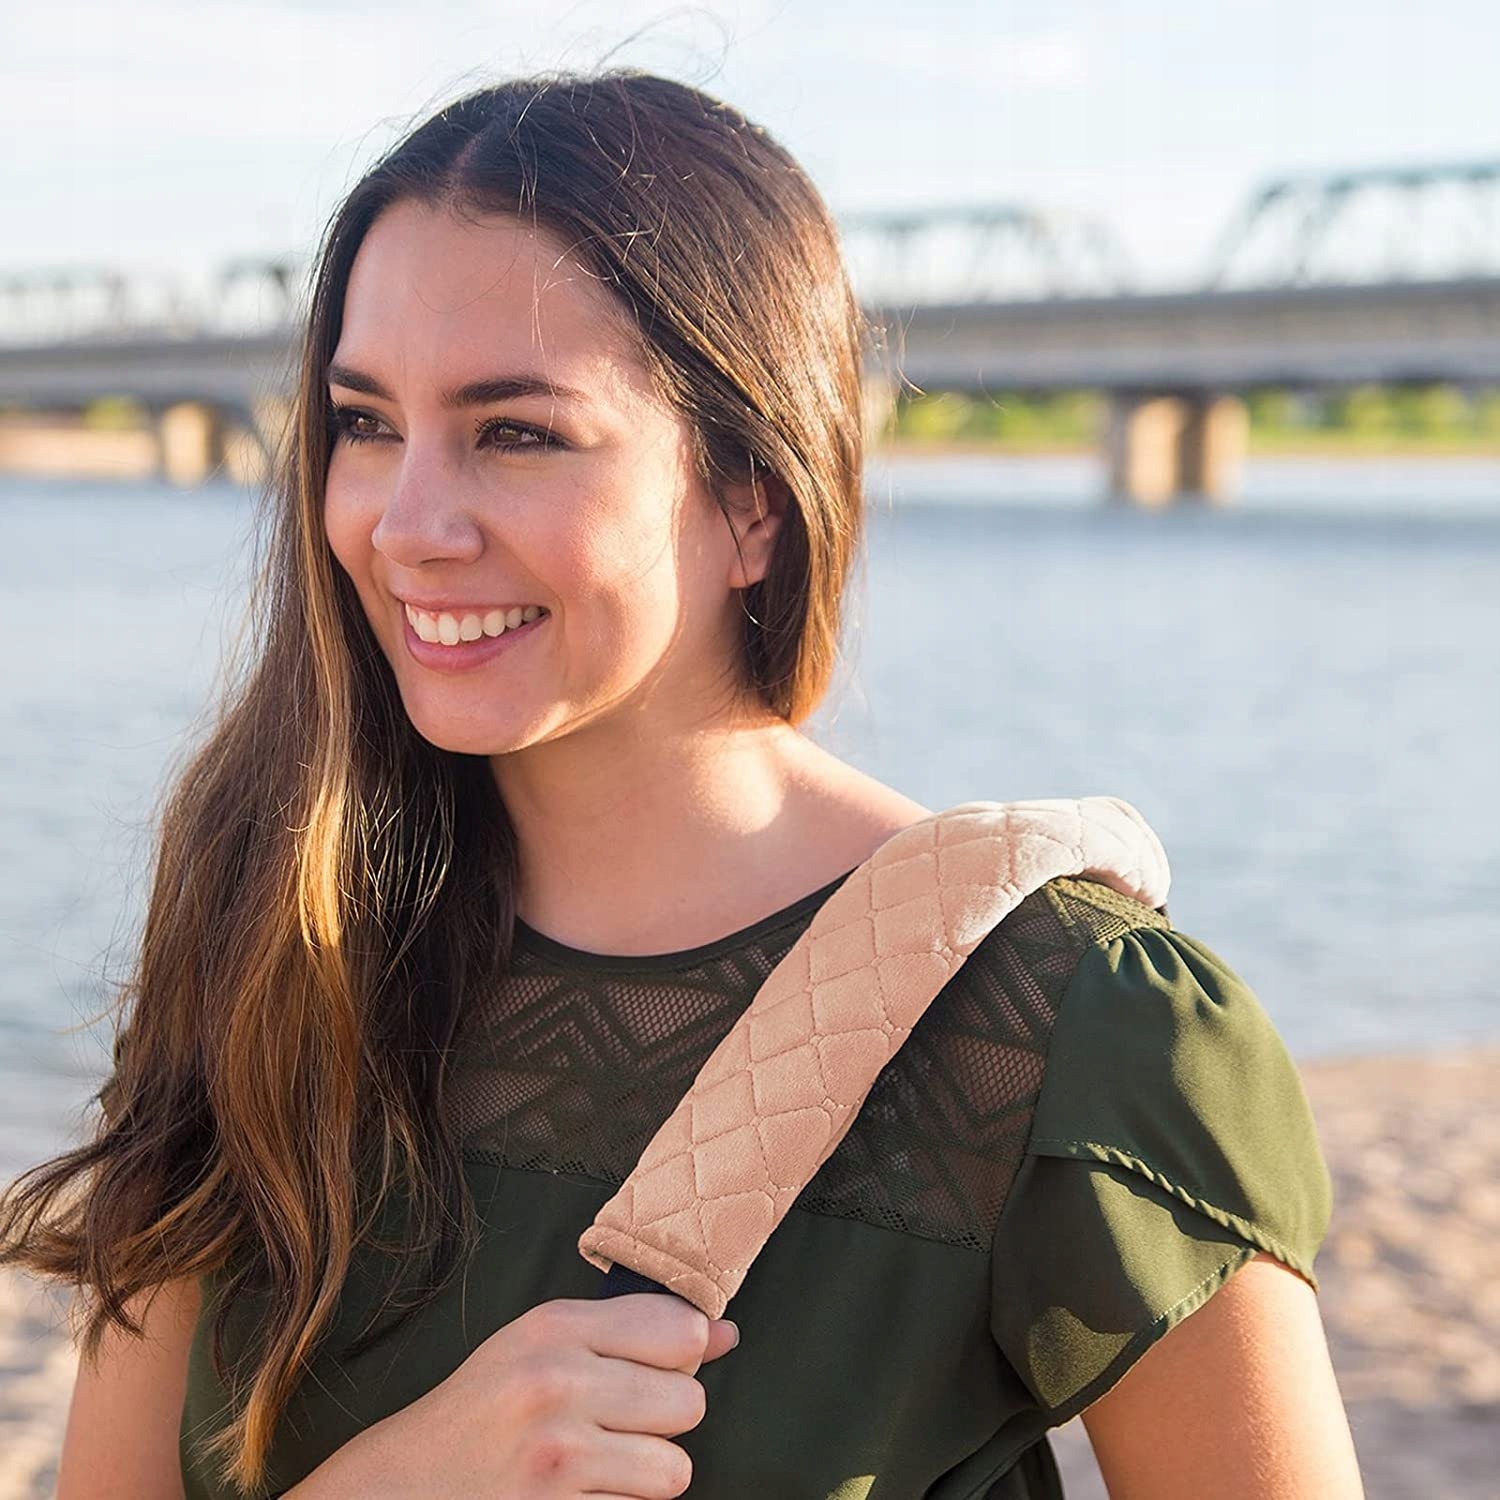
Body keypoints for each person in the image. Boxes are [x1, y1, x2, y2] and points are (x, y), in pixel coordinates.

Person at [0, 69, 1364, 1500]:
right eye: (366, 422)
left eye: (516, 432)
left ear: (752, 500)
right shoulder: (272, 940)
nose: (405, 525)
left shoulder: (1071, 1028)